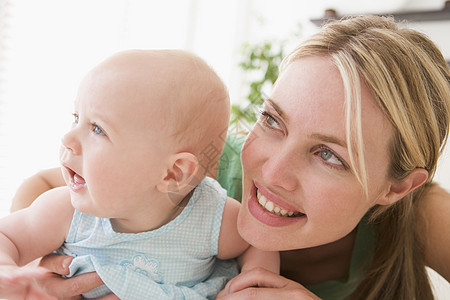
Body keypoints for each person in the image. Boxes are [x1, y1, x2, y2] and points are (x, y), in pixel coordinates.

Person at [7, 15, 450, 300]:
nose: (272, 174)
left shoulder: (424, 214)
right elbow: (47, 186)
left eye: (328, 155)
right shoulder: (203, 169)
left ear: (396, 187)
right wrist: (42, 265)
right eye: (273, 120)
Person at [0, 49, 279, 299]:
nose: (68, 139)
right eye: (76, 118)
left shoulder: (210, 218)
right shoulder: (66, 213)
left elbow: (256, 242)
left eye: (98, 129)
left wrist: (253, 283)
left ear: (173, 173)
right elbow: (8, 238)